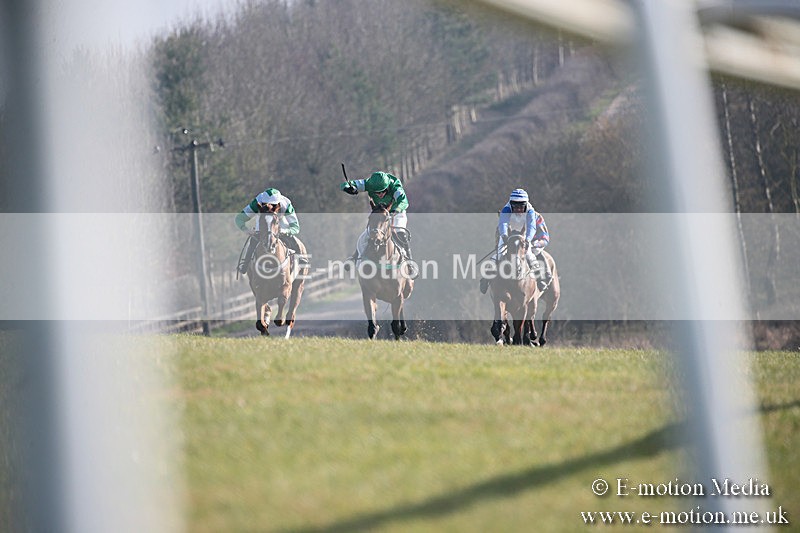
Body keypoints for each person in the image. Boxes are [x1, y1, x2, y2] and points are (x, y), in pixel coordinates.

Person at [480, 188, 552, 293]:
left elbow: (532, 227)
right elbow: (503, 223)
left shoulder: (530, 211)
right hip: (509, 236)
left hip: (525, 237)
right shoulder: (506, 209)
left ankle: (540, 279)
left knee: (529, 254)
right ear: (511, 204)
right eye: (515, 207)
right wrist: (504, 235)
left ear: (526, 204)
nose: (518, 209)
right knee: (500, 253)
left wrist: (528, 240)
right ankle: (485, 279)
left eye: (521, 207)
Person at [340, 170, 413, 264]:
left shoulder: (395, 186)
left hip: (396, 213)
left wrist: (396, 210)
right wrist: (348, 188)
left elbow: (404, 202)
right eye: (377, 192)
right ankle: (355, 257)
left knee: (400, 233)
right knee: (367, 234)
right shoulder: (369, 184)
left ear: (387, 187)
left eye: (383, 191)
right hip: (380, 214)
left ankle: (409, 262)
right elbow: (345, 184)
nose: (380, 195)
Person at [235, 187, 302, 274]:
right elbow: (239, 219)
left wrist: (286, 231)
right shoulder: (257, 203)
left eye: (273, 205)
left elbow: (295, 227)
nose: (269, 207)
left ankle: (301, 261)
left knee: (293, 241)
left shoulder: (286, 204)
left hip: (281, 226)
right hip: (263, 228)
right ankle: (245, 265)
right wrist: (247, 230)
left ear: (279, 203)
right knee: (253, 242)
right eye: (266, 204)